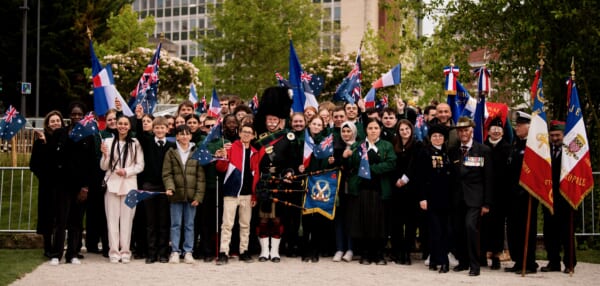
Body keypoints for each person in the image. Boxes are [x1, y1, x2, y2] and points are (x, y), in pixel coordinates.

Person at [343, 118, 396, 265]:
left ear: (380, 130)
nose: (373, 131)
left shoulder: (386, 145)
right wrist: (350, 157)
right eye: (370, 128)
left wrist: (371, 170)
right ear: (366, 130)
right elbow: (352, 163)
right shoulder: (358, 145)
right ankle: (365, 254)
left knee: (379, 223)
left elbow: (391, 163)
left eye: (376, 128)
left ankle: (378, 254)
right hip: (362, 190)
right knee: (363, 222)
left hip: (380, 189)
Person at [253, 86, 296, 263]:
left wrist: (289, 173)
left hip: (279, 182)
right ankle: (264, 251)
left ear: (280, 121)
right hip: (263, 182)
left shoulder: (288, 138)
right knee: (263, 220)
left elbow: (291, 162)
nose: (271, 122)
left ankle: (275, 252)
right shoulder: (259, 139)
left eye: (274, 120)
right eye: (269, 120)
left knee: (277, 219)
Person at [449, 117, 493, 277]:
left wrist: (487, 203)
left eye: (466, 130)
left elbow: (488, 178)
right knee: (459, 229)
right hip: (457, 198)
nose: (463, 133)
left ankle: (475, 265)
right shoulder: (453, 151)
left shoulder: (483, 150)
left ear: (472, 131)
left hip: (475, 199)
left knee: (470, 227)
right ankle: (463, 262)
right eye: (460, 131)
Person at [100, 116, 145, 263]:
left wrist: (126, 171)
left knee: (127, 220)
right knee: (112, 220)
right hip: (112, 184)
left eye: (125, 124)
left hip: (129, 185)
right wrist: (105, 155)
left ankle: (125, 251)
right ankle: (113, 251)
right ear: (116, 125)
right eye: (120, 123)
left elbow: (140, 165)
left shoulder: (135, 143)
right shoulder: (108, 141)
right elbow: (104, 166)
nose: (122, 126)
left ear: (129, 126)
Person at [134, 109, 175, 264]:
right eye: (156, 127)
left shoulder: (171, 146)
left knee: (164, 222)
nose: (159, 130)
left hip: (165, 187)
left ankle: (163, 253)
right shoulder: (148, 142)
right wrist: (139, 118)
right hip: (149, 185)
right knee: (150, 222)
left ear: (167, 129)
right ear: (153, 129)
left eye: (162, 127)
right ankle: (151, 253)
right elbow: (139, 134)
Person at [215, 123, 259, 265]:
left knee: (245, 224)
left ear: (253, 136)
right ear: (239, 133)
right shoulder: (231, 147)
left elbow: (256, 175)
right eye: (244, 131)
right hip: (231, 192)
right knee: (227, 224)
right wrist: (222, 157)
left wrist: (254, 195)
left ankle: (243, 251)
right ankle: (223, 252)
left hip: (247, 194)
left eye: (249, 132)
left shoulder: (254, 152)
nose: (246, 134)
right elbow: (221, 169)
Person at [30, 110, 69, 265]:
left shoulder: (66, 138)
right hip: (47, 184)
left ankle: (57, 248)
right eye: (52, 121)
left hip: (62, 184)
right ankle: (47, 247)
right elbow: (35, 164)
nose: (55, 123)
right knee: (47, 217)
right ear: (47, 123)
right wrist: (45, 144)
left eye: (57, 120)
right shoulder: (41, 141)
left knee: (60, 217)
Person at [162, 125, 206, 264]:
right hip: (176, 195)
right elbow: (167, 173)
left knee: (189, 225)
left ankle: (188, 251)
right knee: (175, 224)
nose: (184, 136)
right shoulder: (171, 152)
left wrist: (198, 197)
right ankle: (175, 251)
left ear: (191, 136)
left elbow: (200, 177)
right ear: (177, 137)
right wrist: (170, 187)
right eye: (181, 134)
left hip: (192, 196)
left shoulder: (197, 151)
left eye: (187, 134)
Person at [505, 111, 539, 274]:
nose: (516, 128)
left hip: (526, 196)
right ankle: (518, 260)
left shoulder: (534, 147)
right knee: (514, 230)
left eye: (519, 125)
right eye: (516, 125)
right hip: (512, 195)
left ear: (528, 127)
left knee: (526, 229)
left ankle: (529, 262)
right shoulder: (516, 143)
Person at [415, 124, 452, 273]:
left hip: (446, 199)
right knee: (435, 231)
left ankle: (435, 260)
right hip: (431, 199)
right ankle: (444, 261)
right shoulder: (425, 153)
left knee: (445, 231)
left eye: (440, 136)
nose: (437, 138)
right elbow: (420, 177)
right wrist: (422, 198)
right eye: (434, 136)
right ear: (430, 138)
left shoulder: (447, 153)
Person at [541, 120, 577, 273]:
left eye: (558, 135)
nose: (555, 138)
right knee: (550, 232)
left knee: (566, 232)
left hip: (566, 198)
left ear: (564, 135)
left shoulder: (571, 151)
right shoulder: (546, 151)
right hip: (550, 198)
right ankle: (553, 261)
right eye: (552, 135)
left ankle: (569, 263)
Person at [299, 116, 336, 263]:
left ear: (322, 126)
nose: (316, 126)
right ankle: (304, 249)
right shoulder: (303, 139)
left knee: (318, 220)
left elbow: (327, 164)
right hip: (305, 182)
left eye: (319, 124)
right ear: (309, 124)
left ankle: (315, 249)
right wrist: (299, 167)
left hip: (319, 182)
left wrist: (329, 162)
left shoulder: (326, 142)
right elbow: (296, 158)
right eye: (314, 123)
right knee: (306, 219)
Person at [390, 119, 423, 265]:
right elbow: (392, 163)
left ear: (411, 130)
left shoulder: (417, 145)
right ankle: (398, 252)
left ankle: (407, 253)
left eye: (407, 129)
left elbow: (415, 165)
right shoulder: (394, 144)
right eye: (402, 129)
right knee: (397, 222)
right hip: (397, 189)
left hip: (411, 189)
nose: (404, 132)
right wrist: (397, 180)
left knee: (410, 223)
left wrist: (405, 178)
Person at [481, 117, 512, 270]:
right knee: (483, 224)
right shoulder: (482, 146)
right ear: (488, 130)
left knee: (498, 226)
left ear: (503, 131)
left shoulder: (507, 148)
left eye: (499, 128)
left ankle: (496, 255)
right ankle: (482, 254)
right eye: (493, 128)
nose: (496, 130)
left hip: (500, 193)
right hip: (483, 192)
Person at [332, 121, 356, 262]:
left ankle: (350, 249)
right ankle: (340, 248)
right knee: (339, 219)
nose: (346, 134)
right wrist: (342, 158)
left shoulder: (359, 146)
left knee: (351, 219)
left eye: (348, 131)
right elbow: (336, 164)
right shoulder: (336, 146)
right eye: (343, 131)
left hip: (353, 187)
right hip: (339, 187)